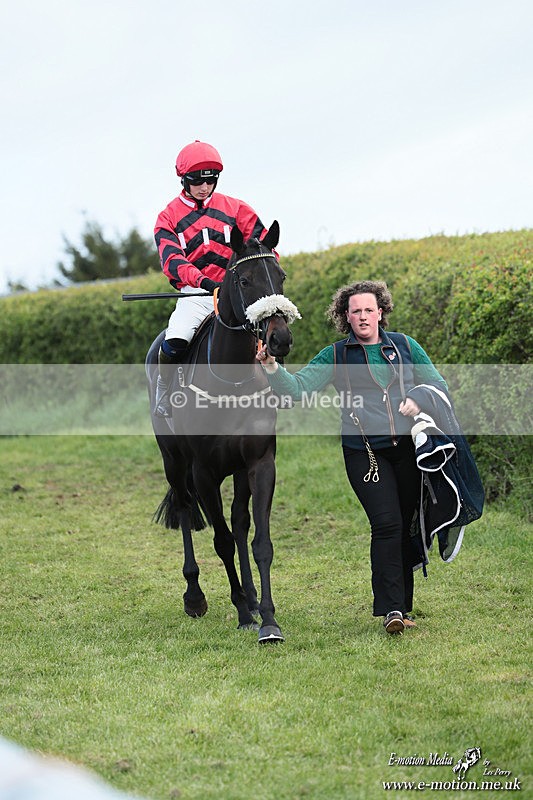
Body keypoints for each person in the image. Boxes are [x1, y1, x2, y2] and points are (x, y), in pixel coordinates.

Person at [257, 280, 449, 634]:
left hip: (409, 451)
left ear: (381, 312)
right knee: (387, 522)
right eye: (356, 311)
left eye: (369, 310)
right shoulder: (336, 355)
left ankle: (404, 607)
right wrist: (272, 368)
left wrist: (420, 398)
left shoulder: (406, 347)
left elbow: (439, 384)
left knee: (407, 523)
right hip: (364, 452)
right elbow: (297, 390)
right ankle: (391, 609)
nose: (363, 316)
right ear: (345, 316)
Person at [153, 139, 271, 416]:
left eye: (211, 180)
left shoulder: (236, 208)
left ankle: (278, 389)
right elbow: (173, 260)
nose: (205, 187)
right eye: (197, 181)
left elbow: (264, 244)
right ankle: (164, 390)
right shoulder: (167, 217)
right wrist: (203, 281)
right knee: (176, 340)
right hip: (197, 296)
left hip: (238, 294)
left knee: (273, 333)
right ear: (184, 180)